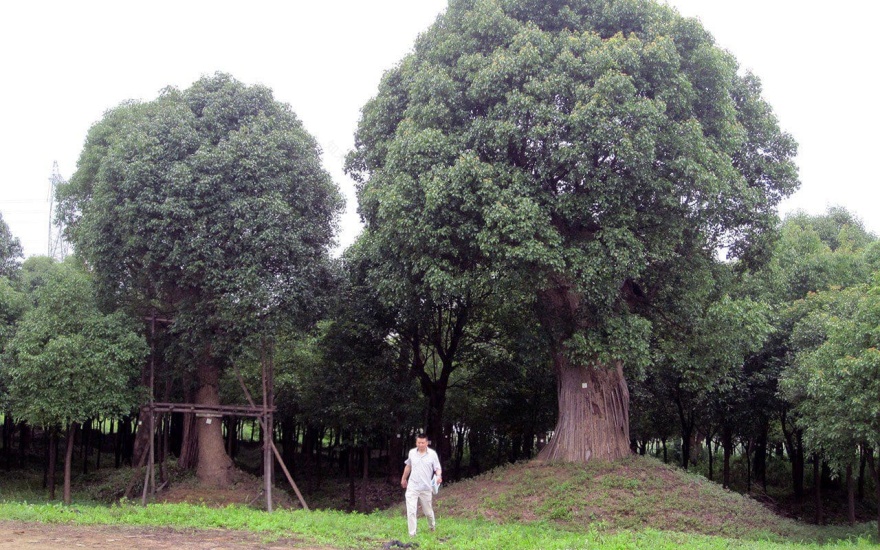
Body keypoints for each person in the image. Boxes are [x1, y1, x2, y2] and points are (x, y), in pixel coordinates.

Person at [400, 433, 442, 536]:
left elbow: (437, 468)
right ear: (416, 442)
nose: (421, 445)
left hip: (426, 488)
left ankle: (432, 527)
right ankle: (412, 535)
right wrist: (403, 479)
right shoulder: (412, 453)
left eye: (423, 443)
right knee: (411, 511)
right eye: (419, 442)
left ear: (427, 443)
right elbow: (408, 466)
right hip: (413, 487)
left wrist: (438, 476)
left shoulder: (432, 454)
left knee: (428, 512)